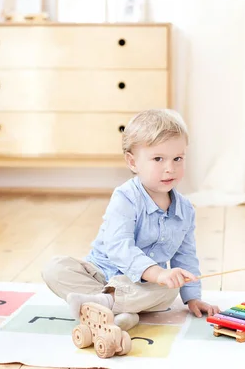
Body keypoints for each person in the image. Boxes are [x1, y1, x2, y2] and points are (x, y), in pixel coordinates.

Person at [41, 108, 220, 331]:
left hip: (141, 285)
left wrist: (192, 297)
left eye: (177, 158)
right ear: (133, 162)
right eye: (158, 159)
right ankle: (117, 307)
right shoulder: (125, 197)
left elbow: (185, 257)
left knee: (171, 289)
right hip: (101, 273)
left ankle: (106, 307)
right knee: (55, 268)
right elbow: (119, 247)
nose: (169, 168)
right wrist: (158, 272)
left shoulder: (185, 210)